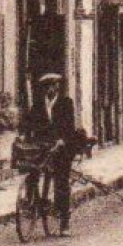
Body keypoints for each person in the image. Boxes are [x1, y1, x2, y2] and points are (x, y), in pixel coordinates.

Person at [38, 74, 79, 235]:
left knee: (61, 183)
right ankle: (34, 204)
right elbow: (31, 122)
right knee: (34, 172)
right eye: (46, 86)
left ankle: (64, 222)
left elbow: (69, 125)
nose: (49, 89)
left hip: (63, 149)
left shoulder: (65, 103)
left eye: (52, 85)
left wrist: (62, 140)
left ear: (57, 87)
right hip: (45, 147)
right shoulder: (38, 105)